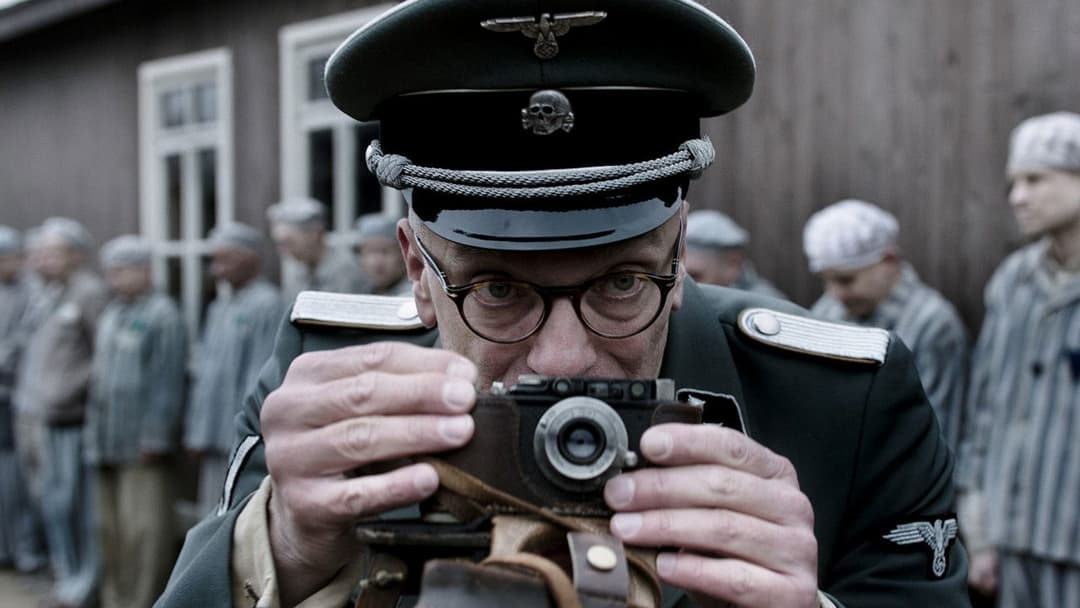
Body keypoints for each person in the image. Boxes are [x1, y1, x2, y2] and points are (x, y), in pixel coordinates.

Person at [159, 2, 969, 607]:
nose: (565, 358)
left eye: (621, 284)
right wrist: (286, 550)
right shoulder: (325, 377)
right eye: (499, 291)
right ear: (415, 265)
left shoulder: (843, 402)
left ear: (678, 254)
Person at [960, 111, 1080, 608]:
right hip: (1014, 543)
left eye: (1036, 178)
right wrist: (982, 533)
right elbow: (986, 409)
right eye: (1014, 181)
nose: (1017, 197)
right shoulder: (1013, 280)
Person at [802, 199, 969, 450]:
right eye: (826, 281)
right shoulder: (827, 310)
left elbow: (939, 434)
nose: (835, 293)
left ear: (888, 260)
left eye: (846, 280)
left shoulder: (933, 325)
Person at [85, 235, 187, 608]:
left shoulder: (163, 314)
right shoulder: (112, 313)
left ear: (144, 270)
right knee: (110, 531)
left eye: (121, 270)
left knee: (145, 531)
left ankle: (144, 600)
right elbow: (99, 381)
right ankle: (115, 599)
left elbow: (167, 381)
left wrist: (155, 437)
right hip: (107, 440)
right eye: (110, 271)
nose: (113, 278)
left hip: (142, 445)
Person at [13, 217, 107, 608]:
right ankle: (63, 575)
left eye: (54, 252)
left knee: (73, 503)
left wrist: (69, 388)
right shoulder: (47, 293)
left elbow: (102, 353)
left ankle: (83, 584)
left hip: (71, 417)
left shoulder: (88, 293)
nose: (44, 259)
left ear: (76, 255)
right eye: (42, 252)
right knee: (49, 501)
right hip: (37, 413)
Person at [183, 222, 285, 517]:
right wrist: (198, 430)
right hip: (213, 432)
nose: (216, 269)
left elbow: (261, 377)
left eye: (223, 259)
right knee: (212, 507)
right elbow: (206, 374)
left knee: (239, 508)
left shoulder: (267, 304)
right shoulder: (220, 306)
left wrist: (248, 429)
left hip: (241, 432)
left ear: (250, 258)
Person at [0, 225, 48, 575]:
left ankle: (28, 551)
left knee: (22, 483)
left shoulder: (33, 292)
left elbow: (25, 341)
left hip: (21, 399)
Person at [267, 196, 368, 302]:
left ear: (314, 234)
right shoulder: (299, 274)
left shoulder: (346, 272)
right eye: (280, 244)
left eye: (289, 242)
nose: (282, 250)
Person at [684, 209, 786, 299]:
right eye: (677, 273)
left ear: (732, 265)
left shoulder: (765, 308)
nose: (682, 284)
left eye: (694, 276)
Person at [353, 213, 411, 296]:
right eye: (370, 252)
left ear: (403, 254)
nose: (377, 261)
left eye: (385, 251)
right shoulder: (360, 292)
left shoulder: (412, 295)